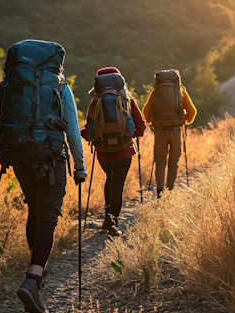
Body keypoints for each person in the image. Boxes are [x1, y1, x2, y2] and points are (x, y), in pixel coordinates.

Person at [0, 39, 86, 313]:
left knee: (35, 208)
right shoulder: (60, 87)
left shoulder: (11, 84)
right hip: (50, 158)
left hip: (19, 154)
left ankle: (38, 265)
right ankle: (33, 279)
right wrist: (79, 167)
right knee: (48, 218)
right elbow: (72, 132)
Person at [81, 67, 146, 236]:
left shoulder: (95, 102)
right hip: (124, 150)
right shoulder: (126, 99)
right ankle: (113, 223)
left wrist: (91, 138)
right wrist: (133, 134)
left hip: (103, 152)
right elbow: (140, 127)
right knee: (117, 184)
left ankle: (107, 220)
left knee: (110, 181)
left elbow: (88, 129)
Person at [142, 69, 196, 197]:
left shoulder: (155, 93)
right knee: (174, 162)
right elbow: (193, 111)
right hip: (176, 131)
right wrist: (184, 121)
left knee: (160, 161)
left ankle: (160, 192)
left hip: (160, 131)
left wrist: (151, 121)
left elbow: (145, 112)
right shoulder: (181, 92)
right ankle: (169, 191)